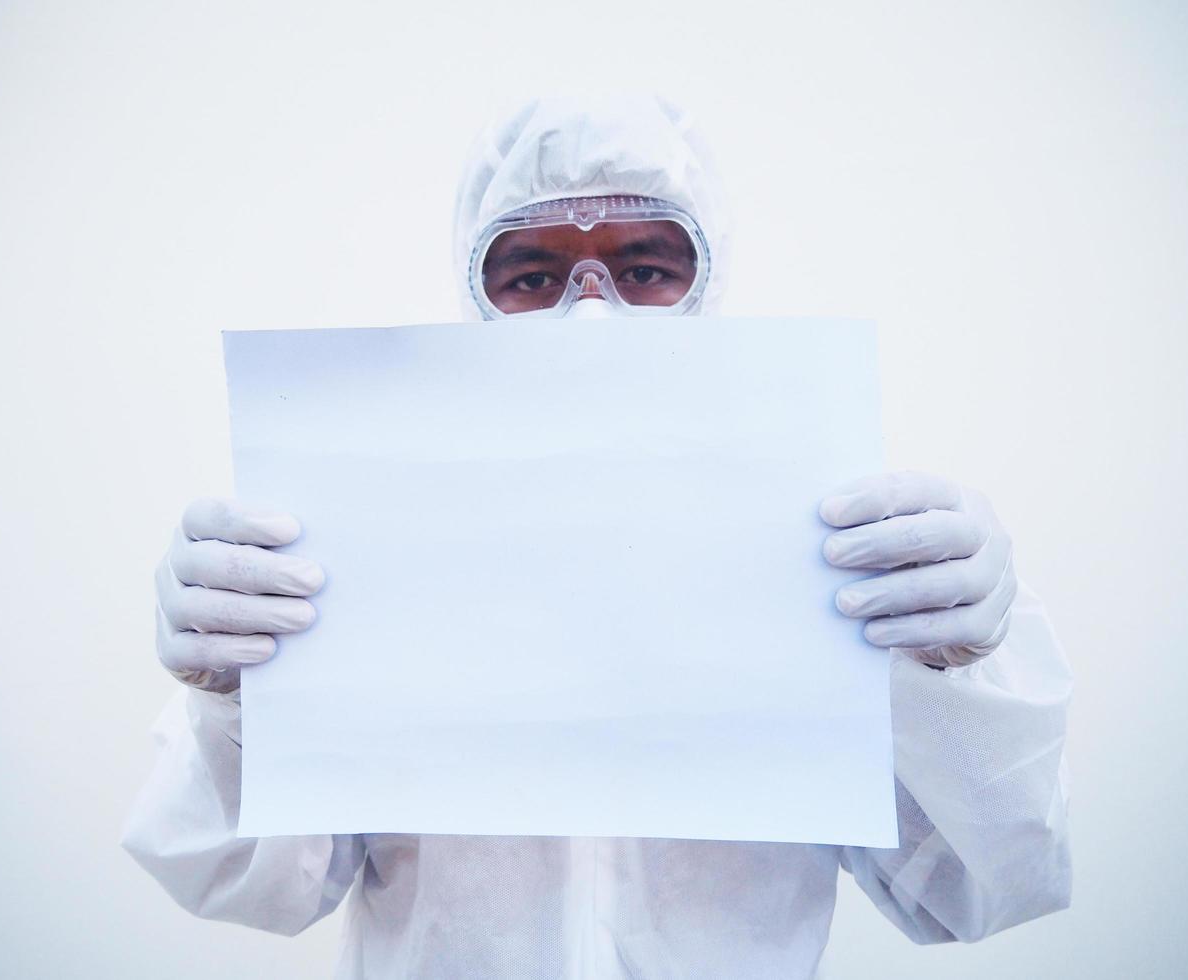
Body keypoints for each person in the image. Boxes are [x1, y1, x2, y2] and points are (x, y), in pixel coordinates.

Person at [124, 95, 1071, 978]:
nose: (588, 309)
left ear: (707, 282)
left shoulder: (837, 548)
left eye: (645, 269)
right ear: (475, 292)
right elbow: (242, 885)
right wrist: (238, 704)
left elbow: (973, 893)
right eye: (533, 273)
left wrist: (953, 679)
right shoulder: (372, 544)